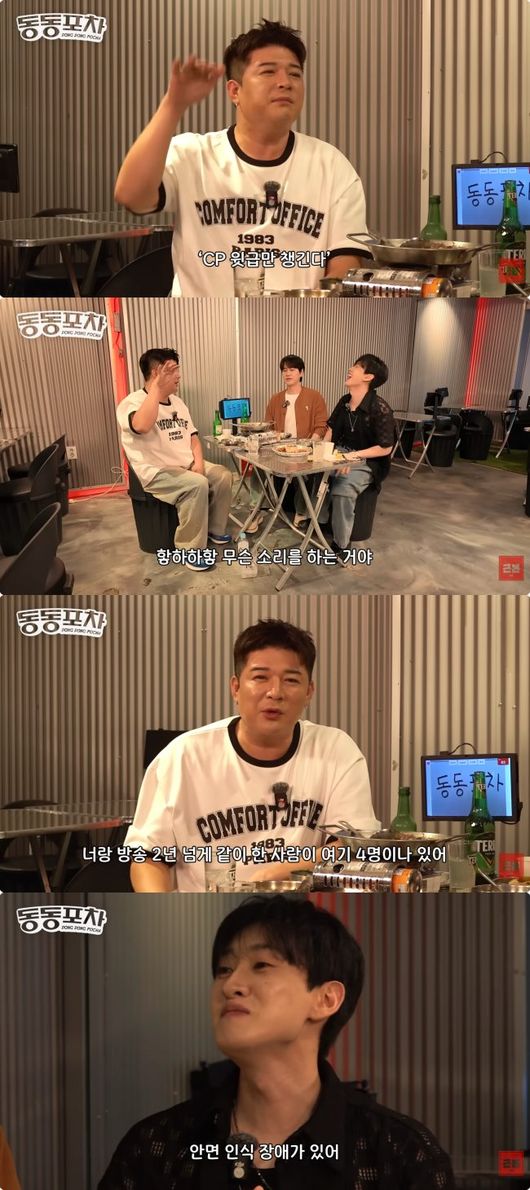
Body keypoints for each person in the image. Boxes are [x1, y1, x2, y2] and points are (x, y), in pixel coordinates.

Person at [98, 896, 457, 1189]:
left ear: (326, 999)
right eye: (224, 969)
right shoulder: (157, 1146)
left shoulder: (400, 1152)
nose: (230, 985)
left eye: (262, 965)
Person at [114, 20, 367, 297]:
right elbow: (131, 196)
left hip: (298, 320)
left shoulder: (331, 166)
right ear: (235, 91)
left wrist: (316, 307)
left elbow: (346, 263)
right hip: (200, 320)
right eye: (268, 71)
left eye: (295, 74)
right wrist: (173, 105)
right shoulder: (193, 155)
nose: (285, 82)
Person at [124, 619, 379, 891]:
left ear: (309, 692)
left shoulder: (336, 751)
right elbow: (147, 857)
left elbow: (354, 846)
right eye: (260, 677)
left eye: (291, 680)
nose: (275, 692)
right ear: (235, 688)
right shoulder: (183, 757)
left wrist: (284, 870)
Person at [116, 348, 233, 573]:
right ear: (156, 373)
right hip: (156, 471)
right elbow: (141, 426)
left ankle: (214, 529)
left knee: (222, 475)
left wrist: (199, 463)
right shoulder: (132, 402)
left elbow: (193, 437)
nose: (179, 375)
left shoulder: (178, 402)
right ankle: (190, 550)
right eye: (173, 370)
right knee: (197, 484)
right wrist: (156, 388)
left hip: (185, 464)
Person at [324, 355, 395, 560]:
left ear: (368, 377)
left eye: (357, 366)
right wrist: (322, 453)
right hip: (341, 452)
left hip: (368, 460)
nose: (350, 369)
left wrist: (352, 457)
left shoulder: (380, 408)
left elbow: (385, 448)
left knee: (343, 488)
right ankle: (319, 522)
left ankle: (341, 544)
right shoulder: (345, 401)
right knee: (311, 474)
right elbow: (331, 429)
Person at [262, 355, 329, 525]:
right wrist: (274, 439)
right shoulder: (276, 398)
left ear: (301, 373)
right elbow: (268, 425)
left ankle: (301, 511)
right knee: (258, 466)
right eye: (284, 370)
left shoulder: (314, 396)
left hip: (305, 448)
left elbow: (321, 425)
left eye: (292, 369)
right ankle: (259, 508)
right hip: (279, 449)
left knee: (306, 472)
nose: (287, 373)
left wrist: (308, 444)